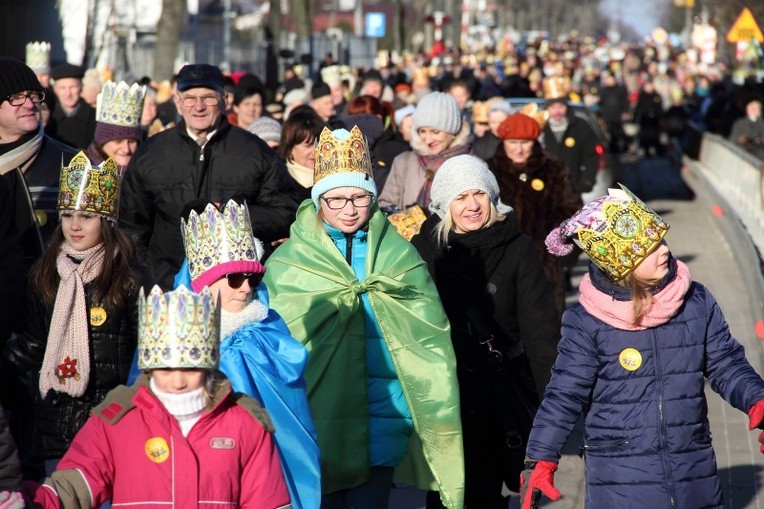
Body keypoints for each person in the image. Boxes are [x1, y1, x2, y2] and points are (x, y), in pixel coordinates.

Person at [520, 186, 764, 509]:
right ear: (619, 265)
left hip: (692, 473)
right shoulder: (588, 320)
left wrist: (756, 398)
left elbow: (726, 363)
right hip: (620, 484)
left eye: (661, 240)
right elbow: (564, 394)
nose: (664, 250)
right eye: (648, 248)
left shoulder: (694, 300)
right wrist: (540, 457)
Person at [264, 126, 465, 508]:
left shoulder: (399, 257)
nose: (349, 209)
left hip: (382, 418)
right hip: (315, 420)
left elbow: (429, 337)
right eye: (337, 199)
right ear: (319, 200)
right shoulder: (288, 263)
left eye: (359, 197)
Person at [26, 285, 292, 508]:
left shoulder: (244, 422)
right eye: (165, 369)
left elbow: (267, 499)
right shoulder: (117, 420)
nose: (177, 382)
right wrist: (27, 499)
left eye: (190, 368)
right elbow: (76, 483)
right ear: (149, 366)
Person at [411, 154, 560, 508]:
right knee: (443, 494)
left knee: (483, 492)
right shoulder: (422, 250)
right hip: (442, 394)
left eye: (479, 194)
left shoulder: (518, 247)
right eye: (460, 198)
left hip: (496, 392)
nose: (472, 206)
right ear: (445, 205)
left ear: (493, 197)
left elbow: (541, 335)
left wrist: (554, 412)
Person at [3, 152, 146, 476]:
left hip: (111, 414)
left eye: (86, 216)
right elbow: (34, 341)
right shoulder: (46, 274)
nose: (74, 225)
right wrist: (7, 363)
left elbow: (144, 349)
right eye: (67, 215)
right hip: (56, 418)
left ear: (107, 220)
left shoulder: (128, 277)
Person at [174, 199, 320, 508]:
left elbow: (291, 411)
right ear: (203, 284)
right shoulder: (175, 340)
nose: (246, 289)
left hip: (271, 468)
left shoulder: (266, 326)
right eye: (234, 278)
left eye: (253, 278)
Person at [119, 63, 299, 289]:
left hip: (235, 290)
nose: (199, 106)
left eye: (208, 98)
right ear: (178, 102)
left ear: (225, 100)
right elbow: (132, 228)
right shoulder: (151, 153)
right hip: (168, 289)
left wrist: (233, 213)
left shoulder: (255, 151)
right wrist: (147, 281)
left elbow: (287, 212)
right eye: (190, 98)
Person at [488, 112, 582, 312]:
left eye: (525, 142)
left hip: (544, 263)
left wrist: (555, 237)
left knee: (547, 325)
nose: (519, 149)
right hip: (500, 261)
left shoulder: (554, 170)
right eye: (513, 142)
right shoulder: (488, 171)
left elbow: (572, 210)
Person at [378, 91, 472, 212]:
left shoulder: (470, 164)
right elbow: (386, 204)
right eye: (422, 131)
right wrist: (402, 218)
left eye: (435, 132)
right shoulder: (403, 161)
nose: (428, 140)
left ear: (453, 131)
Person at [338, 95, 409, 192]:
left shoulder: (399, 149)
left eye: (362, 119)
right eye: (353, 119)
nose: (355, 126)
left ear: (377, 118)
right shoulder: (344, 148)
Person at [541, 95, 599, 196]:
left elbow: (591, 155)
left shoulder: (579, 125)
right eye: (553, 107)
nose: (557, 111)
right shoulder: (541, 128)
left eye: (560, 106)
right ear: (547, 109)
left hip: (573, 186)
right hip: (546, 189)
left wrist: (587, 181)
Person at [84, 81, 146, 169]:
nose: (126, 150)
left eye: (131, 142)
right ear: (101, 142)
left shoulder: (147, 172)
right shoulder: (83, 170)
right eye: (118, 141)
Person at [277, 105, 325, 204]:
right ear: (289, 148)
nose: (315, 151)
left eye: (319, 144)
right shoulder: (279, 183)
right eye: (307, 145)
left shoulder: (336, 178)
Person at [46, 63, 96, 149]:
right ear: (55, 90)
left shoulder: (94, 117)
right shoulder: (48, 118)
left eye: (72, 87)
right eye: (62, 88)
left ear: (81, 87)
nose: (68, 93)